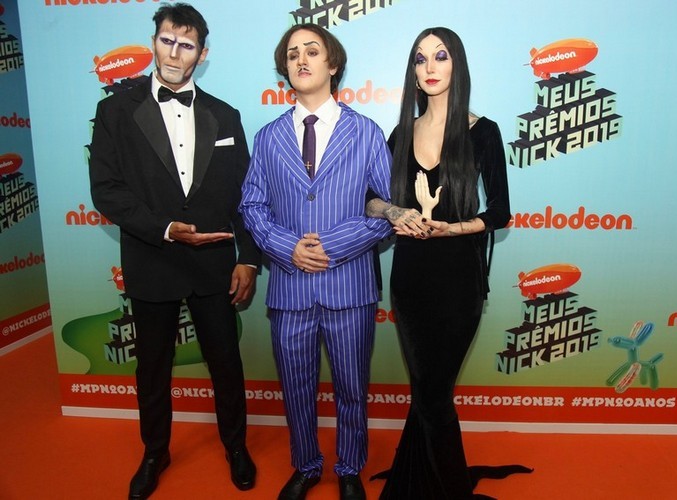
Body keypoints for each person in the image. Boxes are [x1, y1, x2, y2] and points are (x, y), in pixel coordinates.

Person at [88, 4, 259, 498]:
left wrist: (248, 258)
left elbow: (245, 196)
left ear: (201, 55)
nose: (174, 53)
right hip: (152, 259)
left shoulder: (225, 115)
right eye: (167, 40)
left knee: (226, 363)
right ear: (154, 43)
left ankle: (236, 446)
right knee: (152, 369)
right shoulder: (115, 111)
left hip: (214, 264)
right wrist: (164, 229)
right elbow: (106, 190)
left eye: (186, 45)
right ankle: (154, 452)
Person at [367, 27, 531, 499]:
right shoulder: (401, 133)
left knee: (433, 395)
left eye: (440, 56)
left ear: (457, 64)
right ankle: (416, 480)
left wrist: (452, 228)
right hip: (410, 281)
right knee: (426, 391)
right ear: (413, 73)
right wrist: (394, 212)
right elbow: (370, 200)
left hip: (459, 281)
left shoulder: (484, 132)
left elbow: (500, 212)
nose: (430, 67)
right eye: (420, 59)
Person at [239, 23, 392, 500]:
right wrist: (287, 247)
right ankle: (305, 465)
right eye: (292, 54)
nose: (301, 60)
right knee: (296, 388)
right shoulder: (267, 138)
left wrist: (334, 243)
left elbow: (389, 209)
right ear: (284, 69)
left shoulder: (366, 132)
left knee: (352, 387)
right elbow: (251, 205)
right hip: (289, 288)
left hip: (350, 287)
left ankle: (349, 468)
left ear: (333, 63)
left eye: (311, 51)